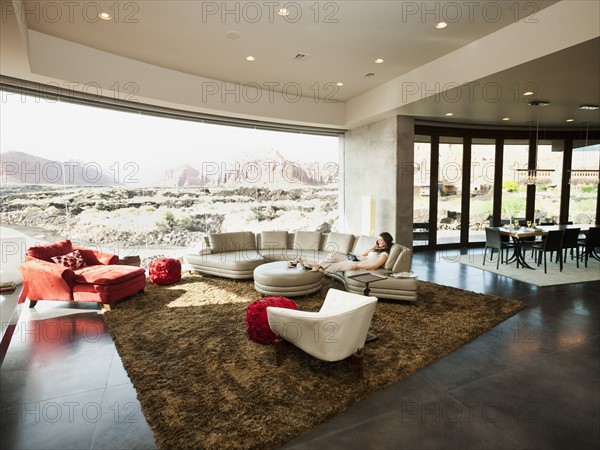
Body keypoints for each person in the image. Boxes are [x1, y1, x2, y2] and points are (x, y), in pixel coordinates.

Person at [298, 232, 394, 273]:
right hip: (358, 260)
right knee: (334, 254)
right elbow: (363, 255)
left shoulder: (384, 254)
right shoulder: (376, 249)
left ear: (386, 241)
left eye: (380, 240)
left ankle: (312, 267)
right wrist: (373, 246)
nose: (378, 241)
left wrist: (358, 267)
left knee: (335, 265)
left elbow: (374, 267)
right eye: (378, 240)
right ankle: (317, 265)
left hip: (359, 265)